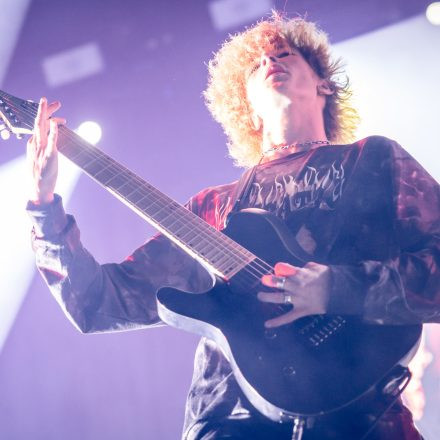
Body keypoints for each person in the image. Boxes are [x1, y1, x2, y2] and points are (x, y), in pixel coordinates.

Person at [26, 13, 439, 440]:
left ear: (324, 84)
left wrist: (337, 288)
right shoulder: (213, 209)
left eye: (284, 54)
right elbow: (98, 303)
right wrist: (42, 205)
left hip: (364, 416)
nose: (269, 61)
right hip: (231, 418)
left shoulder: (373, 160)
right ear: (248, 110)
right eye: (257, 65)